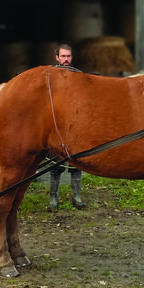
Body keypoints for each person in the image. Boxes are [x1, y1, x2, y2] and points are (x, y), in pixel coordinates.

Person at [48, 44, 86, 211]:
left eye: (68, 56)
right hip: (57, 124)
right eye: (63, 56)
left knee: (76, 162)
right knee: (55, 163)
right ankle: (53, 198)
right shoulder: (50, 75)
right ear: (57, 57)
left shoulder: (78, 74)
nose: (66, 59)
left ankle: (76, 196)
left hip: (75, 125)